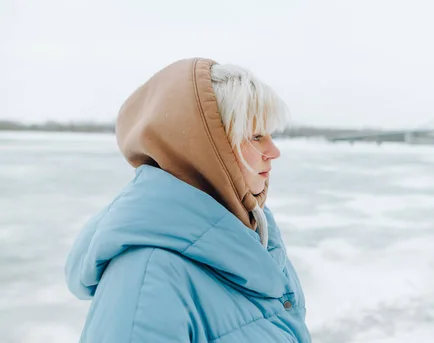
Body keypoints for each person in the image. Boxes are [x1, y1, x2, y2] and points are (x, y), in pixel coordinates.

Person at [65, 58, 311, 342]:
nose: (274, 150)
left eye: (270, 135)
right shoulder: (148, 278)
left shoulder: (256, 234)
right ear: (208, 149)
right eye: (256, 136)